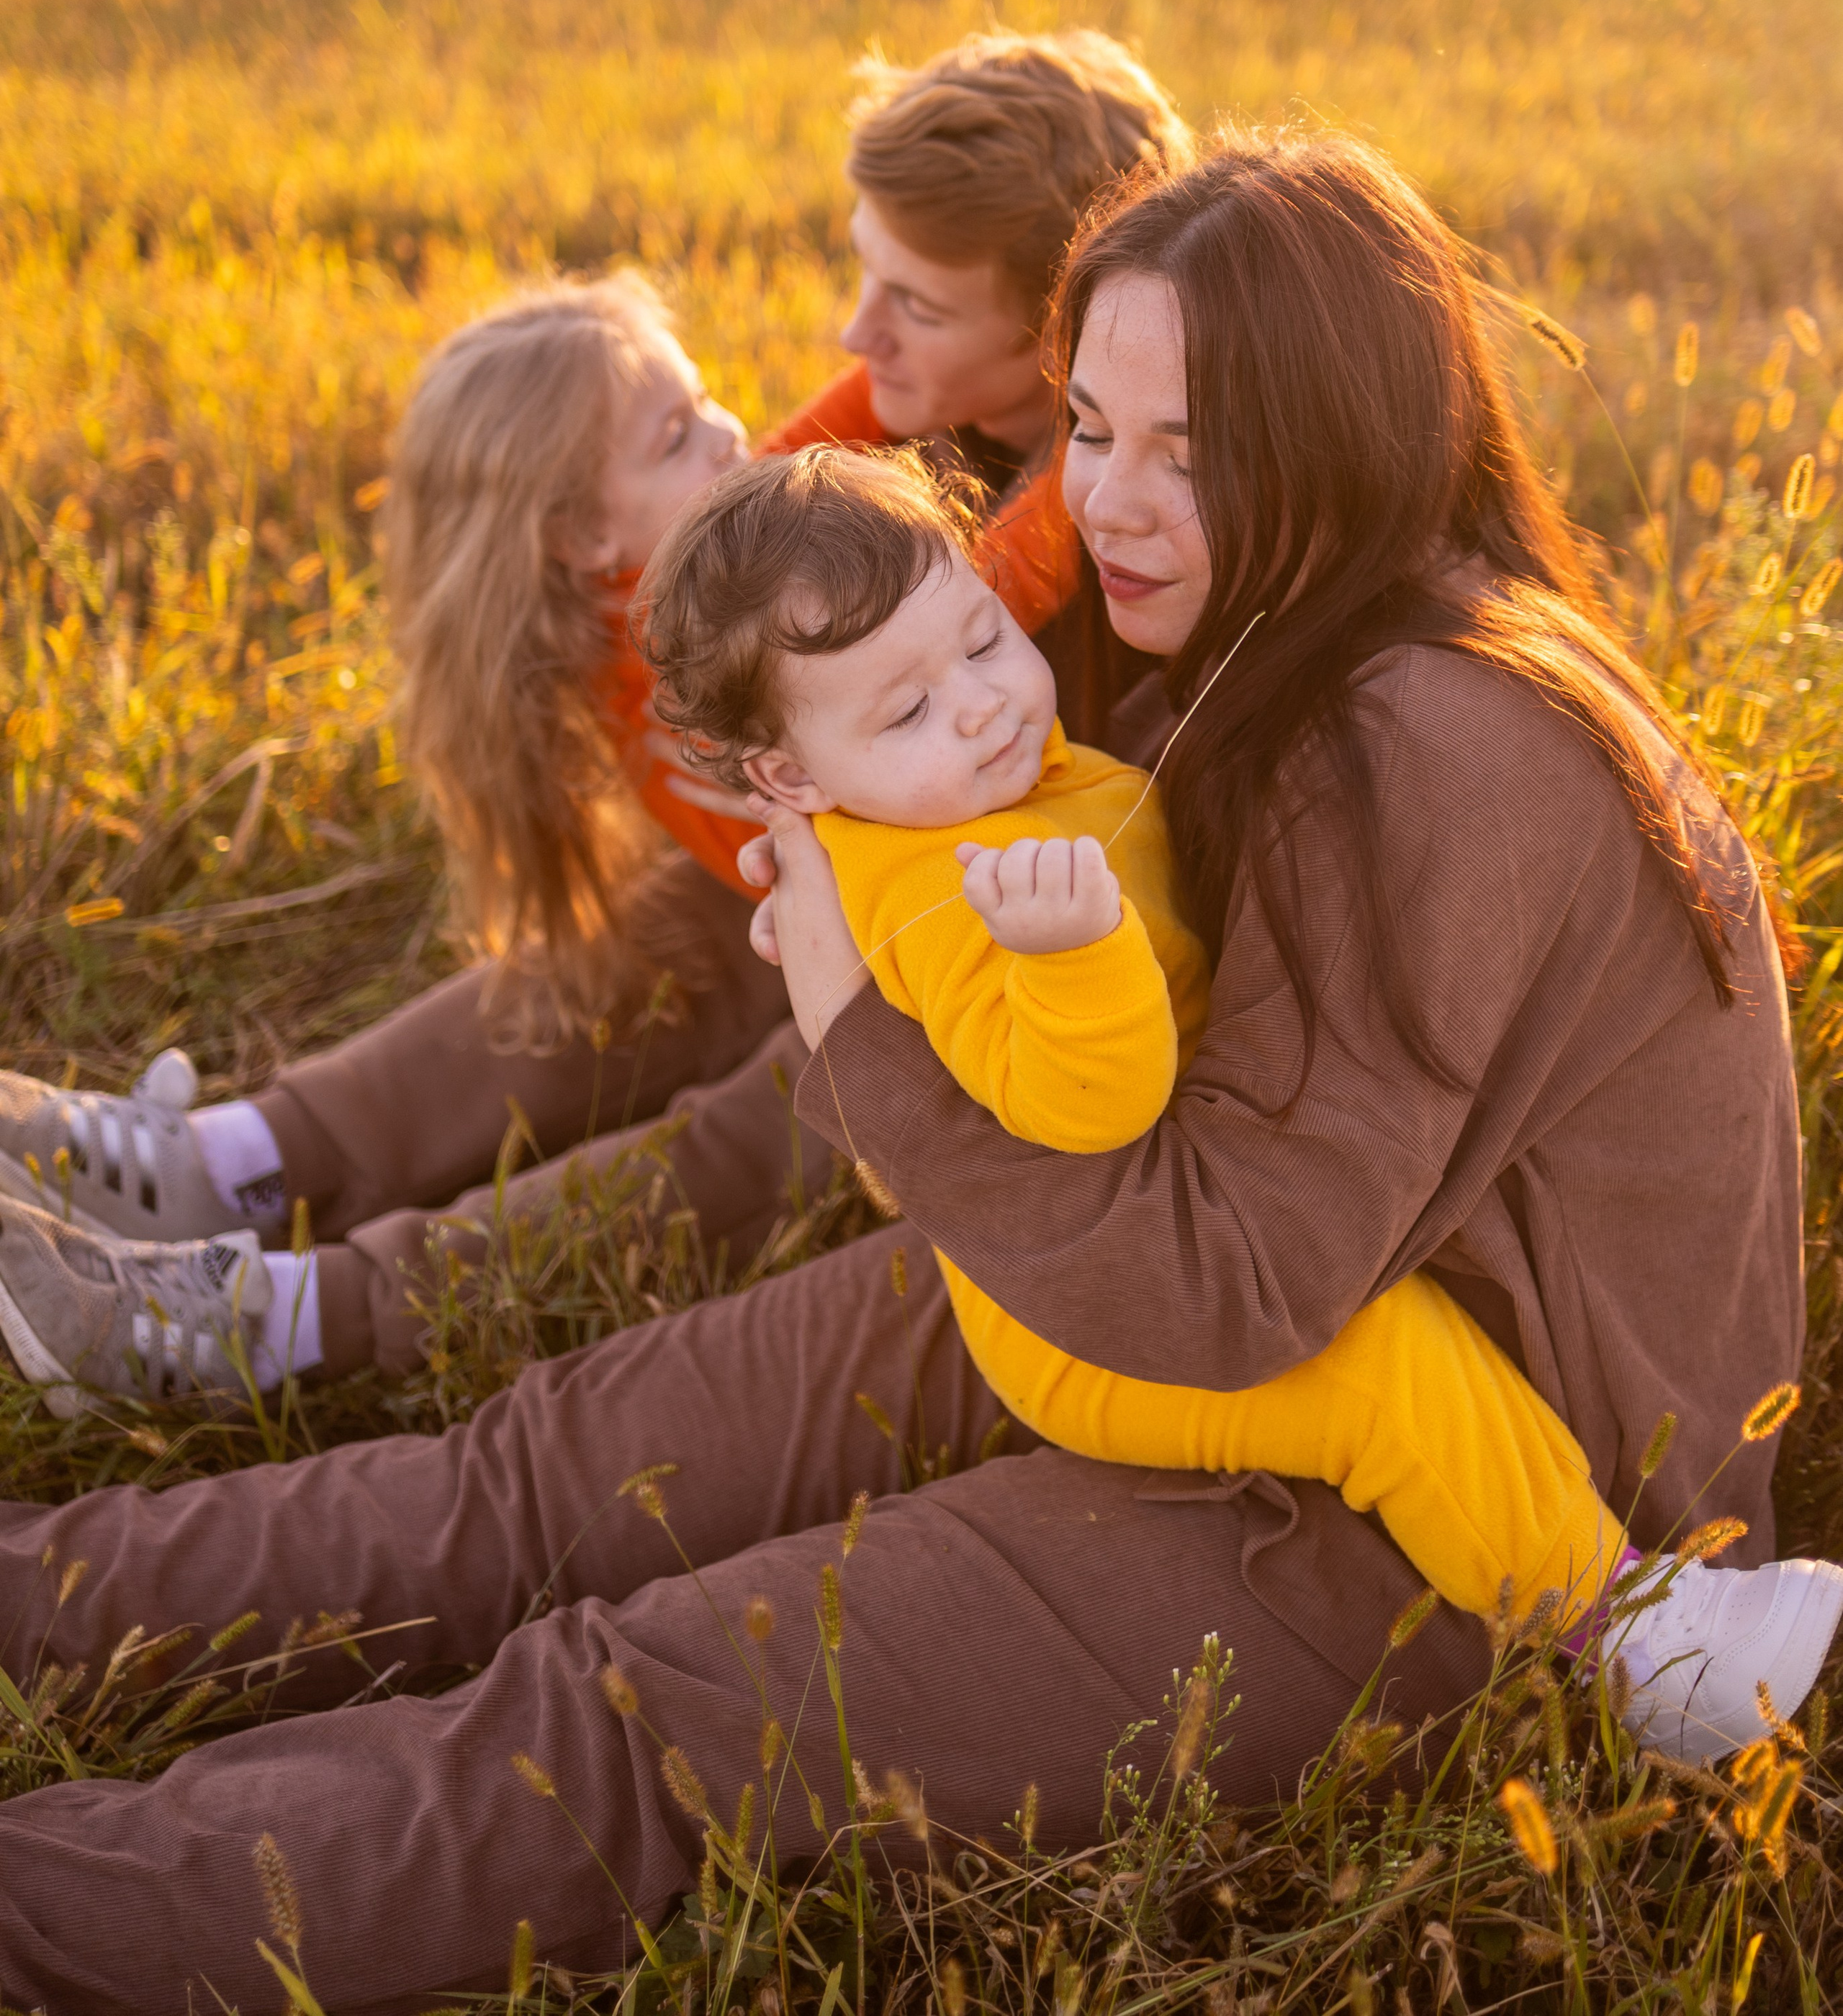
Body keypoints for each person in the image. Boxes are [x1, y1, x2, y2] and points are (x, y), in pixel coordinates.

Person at [0, 132, 1816, 2015]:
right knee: (545, 1468)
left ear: (1349, 433)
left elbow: (1236, 1290)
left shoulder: (1424, 742)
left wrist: (854, 1020)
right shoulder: (1269, 639)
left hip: (1465, 1509)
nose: (1106, 499)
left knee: (630, 1712)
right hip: (1169, 1263)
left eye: (1189, 448)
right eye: (1088, 426)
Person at [0, 32, 1189, 1388]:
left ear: (1058, 330)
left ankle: (291, 1318)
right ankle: (230, 1162)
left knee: (775, 1104)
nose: (856, 333)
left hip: (1016, 975)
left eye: (913, 304)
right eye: (866, 277)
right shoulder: (933, 441)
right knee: (625, 952)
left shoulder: (1146, 532)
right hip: (856, 869)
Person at [637, 440, 1841, 1736]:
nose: (979, 706)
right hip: (1085, 1316)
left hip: (1134, 1230)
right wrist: (1074, 958)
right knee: (1385, 1381)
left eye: (982, 641)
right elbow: (1079, 1114)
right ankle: (1636, 1642)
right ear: (792, 780)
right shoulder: (942, 890)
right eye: (907, 712)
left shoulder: (989, 793)